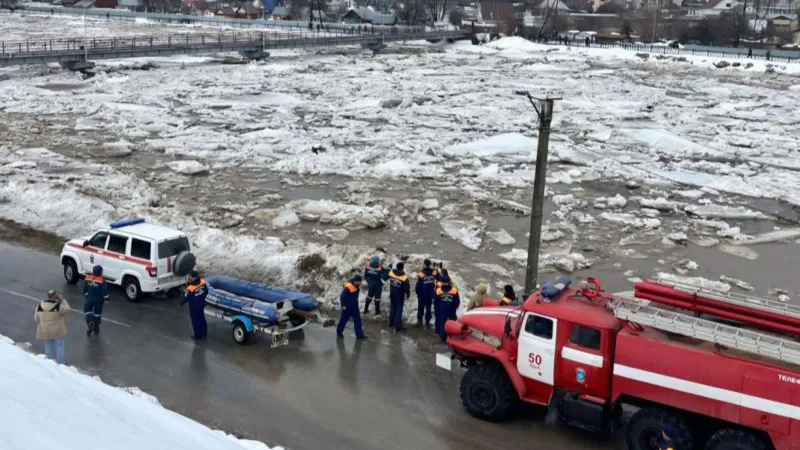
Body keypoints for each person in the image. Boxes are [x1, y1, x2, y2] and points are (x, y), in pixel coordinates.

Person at [34, 290, 70, 364]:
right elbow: (67, 309)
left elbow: (36, 319)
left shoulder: (40, 305)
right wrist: (63, 300)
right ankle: (61, 363)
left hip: (45, 330)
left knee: (48, 345)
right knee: (59, 345)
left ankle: (49, 362)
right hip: (57, 330)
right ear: (55, 296)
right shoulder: (57, 306)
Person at [181, 270, 208, 340]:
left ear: (193, 277)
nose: (188, 277)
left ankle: (198, 335)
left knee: (195, 320)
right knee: (202, 318)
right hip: (201, 304)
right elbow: (206, 291)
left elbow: (186, 298)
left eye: (189, 276)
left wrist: (181, 302)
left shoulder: (190, 288)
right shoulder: (202, 282)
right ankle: (204, 332)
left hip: (194, 307)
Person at [337, 274, 366, 339]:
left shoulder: (357, 285)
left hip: (355, 307)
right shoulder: (348, 287)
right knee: (343, 320)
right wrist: (343, 305)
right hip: (347, 308)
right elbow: (342, 297)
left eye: (360, 282)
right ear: (356, 281)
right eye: (359, 282)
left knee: (358, 321)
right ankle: (339, 331)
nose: (360, 283)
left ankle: (359, 335)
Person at [83, 265, 109, 336]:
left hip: (89, 298)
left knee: (87, 311)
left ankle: (90, 323)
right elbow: (105, 292)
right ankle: (96, 327)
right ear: (100, 271)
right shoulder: (102, 280)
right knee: (97, 313)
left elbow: (85, 289)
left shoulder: (87, 278)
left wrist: (86, 296)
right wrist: (106, 299)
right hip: (98, 300)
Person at [434, 276, 460, 342]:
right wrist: (454, 307)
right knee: (452, 323)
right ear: (449, 282)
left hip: (442, 310)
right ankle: (452, 337)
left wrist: (437, 310)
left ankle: (443, 338)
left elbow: (436, 301)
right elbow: (457, 301)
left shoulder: (438, 290)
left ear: (442, 282)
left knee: (442, 323)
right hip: (451, 310)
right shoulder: (454, 290)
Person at [415, 259, 438, 328]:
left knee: (421, 308)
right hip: (430, 294)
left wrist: (417, 292)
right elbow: (439, 277)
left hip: (422, 294)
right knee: (428, 308)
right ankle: (427, 323)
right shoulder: (433, 273)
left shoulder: (421, 274)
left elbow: (418, 285)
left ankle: (420, 321)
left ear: (425, 264)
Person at [388, 262, 410, 332]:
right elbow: (407, 288)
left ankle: (391, 323)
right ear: (403, 268)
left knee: (392, 308)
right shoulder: (404, 277)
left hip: (392, 294)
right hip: (399, 296)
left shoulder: (391, 273)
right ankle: (398, 326)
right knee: (398, 310)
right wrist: (408, 294)